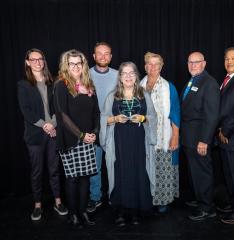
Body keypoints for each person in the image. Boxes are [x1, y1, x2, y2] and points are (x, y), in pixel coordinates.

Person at [100, 62, 157, 226]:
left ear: (136, 76)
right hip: (119, 142)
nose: (128, 76)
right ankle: (120, 211)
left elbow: (153, 117)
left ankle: (135, 212)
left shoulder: (144, 95)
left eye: (131, 73)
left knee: (139, 172)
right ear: (120, 77)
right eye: (124, 73)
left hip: (139, 142)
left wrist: (143, 118)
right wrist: (115, 119)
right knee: (120, 173)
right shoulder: (112, 96)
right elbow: (104, 118)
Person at [17, 48, 68, 221]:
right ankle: (37, 204)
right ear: (27, 62)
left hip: (53, 132)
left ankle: (58, 201)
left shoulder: (51, 82)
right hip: (35, 135)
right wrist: (44, 125)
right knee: (37, 171)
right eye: (33, 59)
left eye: (40, 59)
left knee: (54, 169)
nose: (38, 62)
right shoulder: (23, 84)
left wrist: (52, 124)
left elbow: (58, 107)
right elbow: (26, 111)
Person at [54, 49, 100, 227]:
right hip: (71, 139)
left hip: (88, 138)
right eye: (71, 63)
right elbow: (62, 115)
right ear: (66, 65)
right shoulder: (61, 85)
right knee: (72, 178)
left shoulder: (89, 84)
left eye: (78, 63)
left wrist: (94, 131)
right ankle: (73, 215)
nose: (75, 67)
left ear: (83, 65)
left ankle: (83, 213)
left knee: (85, 178)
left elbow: (96, 112)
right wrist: (81, 135)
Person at [181, 51, 220, 221]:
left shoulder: (209, 83)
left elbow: (211, 116)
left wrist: (204, 140)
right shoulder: (193, 80)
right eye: (190, 62)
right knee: (195, 172)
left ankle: (207, 208)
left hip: (199, 138)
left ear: (204, 63)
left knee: (202, 172)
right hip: (190, 137)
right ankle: (200, 199)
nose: (193, 65)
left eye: (196, 62)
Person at [140, 52, 180, 213]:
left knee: (162, 168)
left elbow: (175, 113)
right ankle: (147, 198)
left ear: (162, 67)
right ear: (145, 66)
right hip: (142, 137)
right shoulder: (138, 85)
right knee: (145, 168)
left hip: (164, 137)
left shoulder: (168, 87)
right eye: (150, 63)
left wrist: (175, 137)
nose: (153, 67)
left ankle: (163, 200)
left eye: (157, 64)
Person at [87, 42, 118, 213]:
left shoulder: (118, 75)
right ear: (94, 56)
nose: (103, 57)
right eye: (100, 53)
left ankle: (115, 195)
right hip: (94, 129)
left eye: (107, 53)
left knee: (114, 165)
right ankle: (95, 197)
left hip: (114, 127)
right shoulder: (86, 75)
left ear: (111, 57)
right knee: (95, 166)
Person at [218, 47, 234, 224]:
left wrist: (225, 130)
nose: (230, 61)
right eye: (227, 58)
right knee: (229, 176)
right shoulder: (227, 79)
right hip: (226, 138)